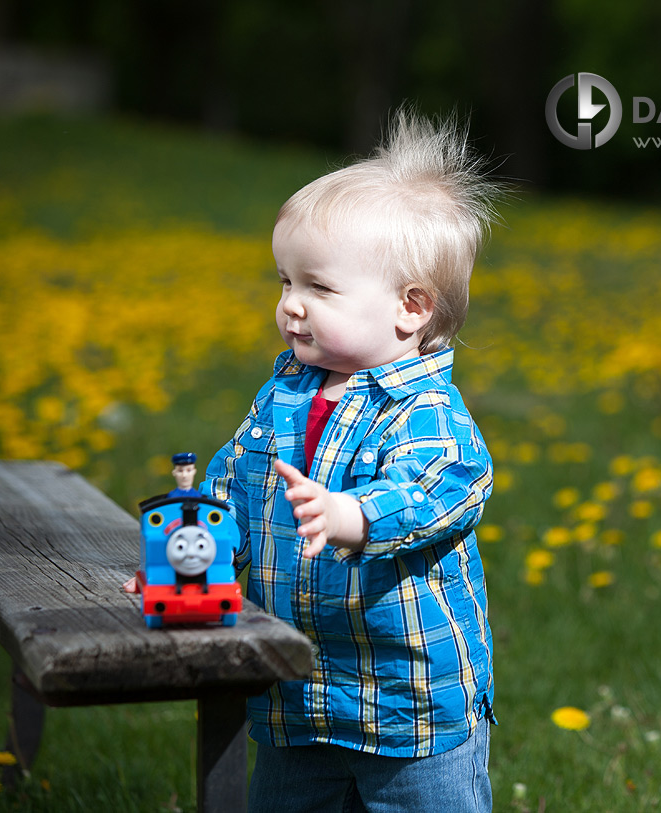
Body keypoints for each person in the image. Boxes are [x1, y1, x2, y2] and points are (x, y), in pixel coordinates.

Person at [164, 110, 499, 812]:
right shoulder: (283, 393)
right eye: (285, 281)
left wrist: (353, 513)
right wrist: (188, 557)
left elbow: (441, 489)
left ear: (411, 308)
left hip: (410, 705)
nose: (290, 306)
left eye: (318, 287)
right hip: (299, 694)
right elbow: (234, 484)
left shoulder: (426, 414)